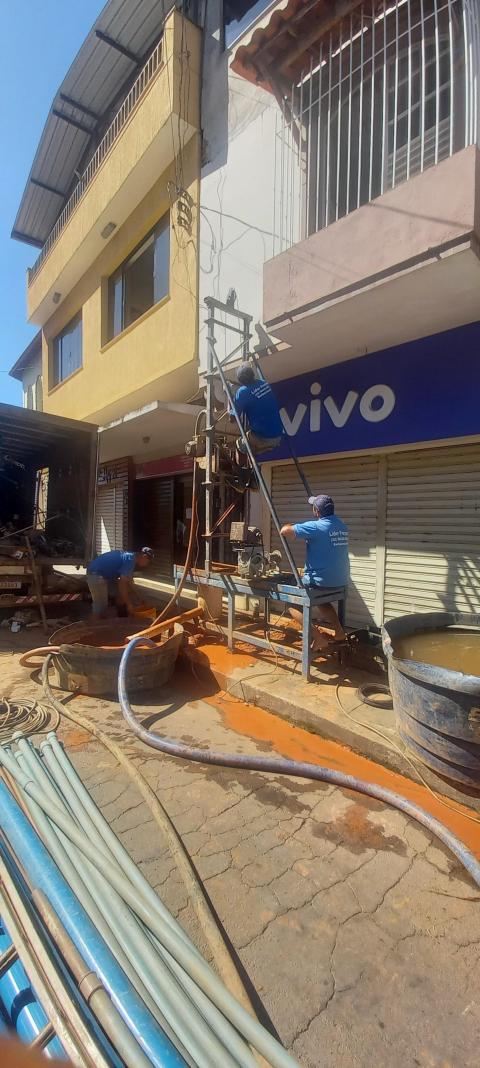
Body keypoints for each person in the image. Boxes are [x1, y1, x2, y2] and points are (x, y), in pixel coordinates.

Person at [280, 495, 349, 651]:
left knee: (291, 604)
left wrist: (293, 525)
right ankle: (339, 633)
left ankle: (318, 638)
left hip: (320, 583)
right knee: (323, 601)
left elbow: (284, 531)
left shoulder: (316, 527)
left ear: (317, 511)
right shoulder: (342, 526)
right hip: (339, 581)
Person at [86, 547, 154, 618]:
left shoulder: (131, 557)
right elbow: (122, 584)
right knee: (100, 606)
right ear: (144, 557)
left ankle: (120, 615)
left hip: (104, 575)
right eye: (148, 562)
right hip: (95, 574)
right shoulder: (130, 560)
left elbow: (130, 581)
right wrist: (129, 605)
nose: (147, 565)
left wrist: (140, 597)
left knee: (126, 591)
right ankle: (91, 624)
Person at [232, 363, 284, 455]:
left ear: (241, 380)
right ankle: (262, 449)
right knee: (251, 435)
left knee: (240, 444)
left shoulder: (243, 391)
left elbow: (232, 418)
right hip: (278, 435)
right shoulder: (264, 383)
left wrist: (230, 397)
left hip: (263, 438)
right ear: (253, 374)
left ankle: (256, 452)